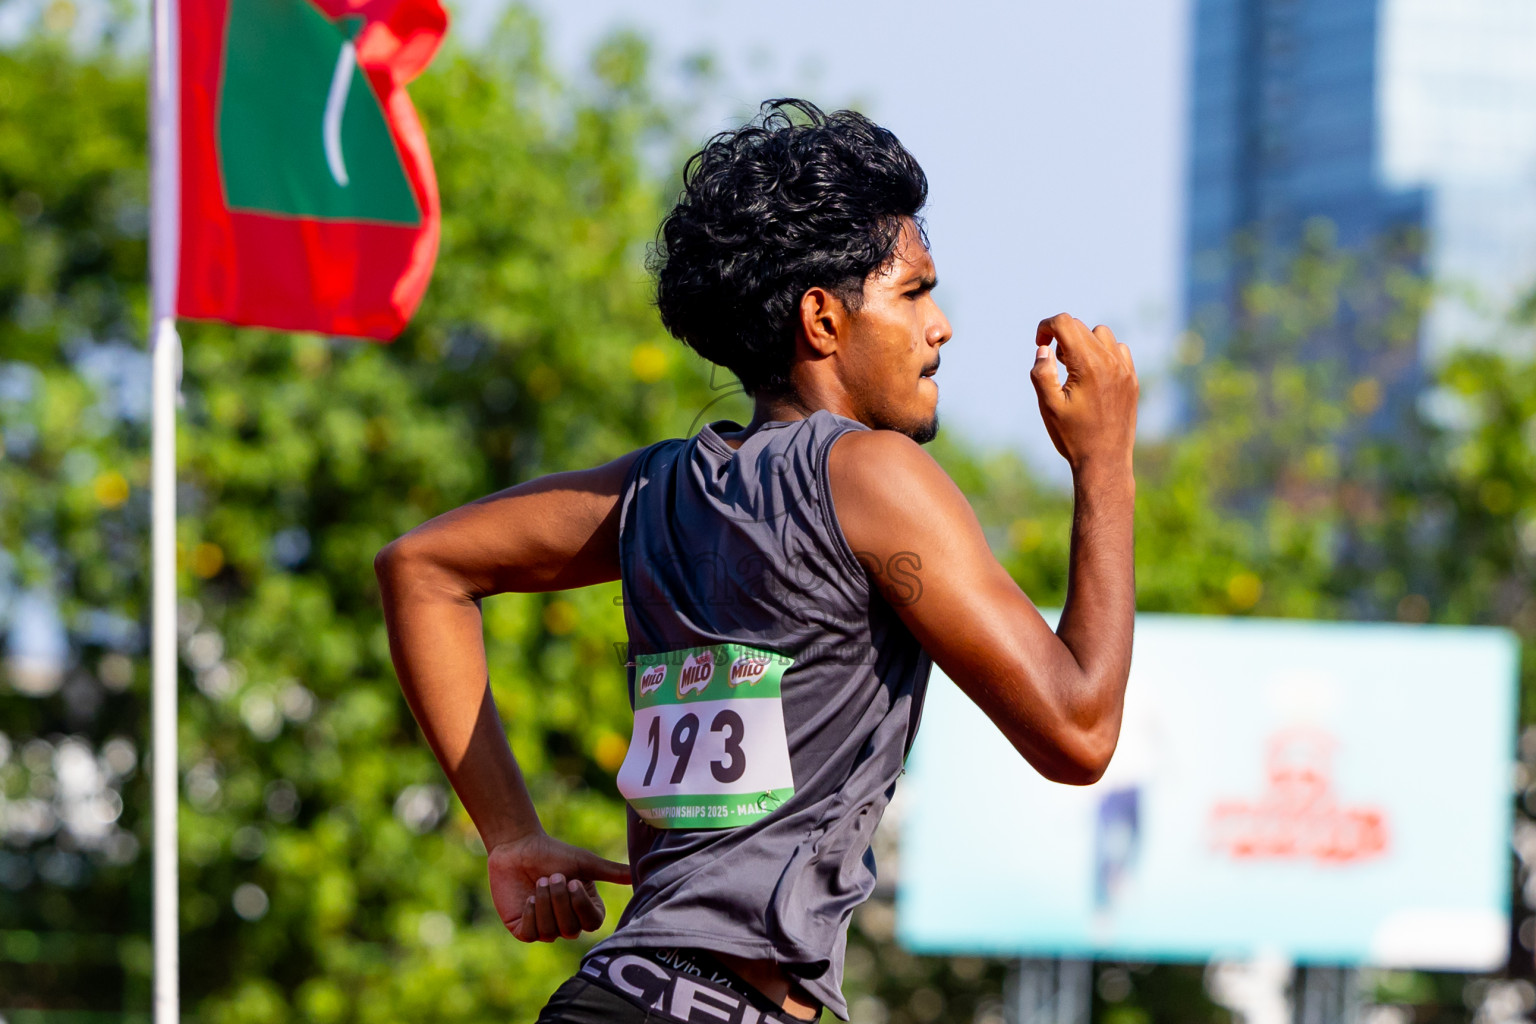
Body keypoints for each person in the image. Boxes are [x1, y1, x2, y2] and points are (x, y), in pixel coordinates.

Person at [374, 98, 1138, 1024]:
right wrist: (1105, 467)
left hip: (616, 999)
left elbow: (421, 566)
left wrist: (510, 836)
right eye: (914, 292)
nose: (941, 327)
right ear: (822, 319)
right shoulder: (872, 474)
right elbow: (1078, 731)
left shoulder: (656, 490)